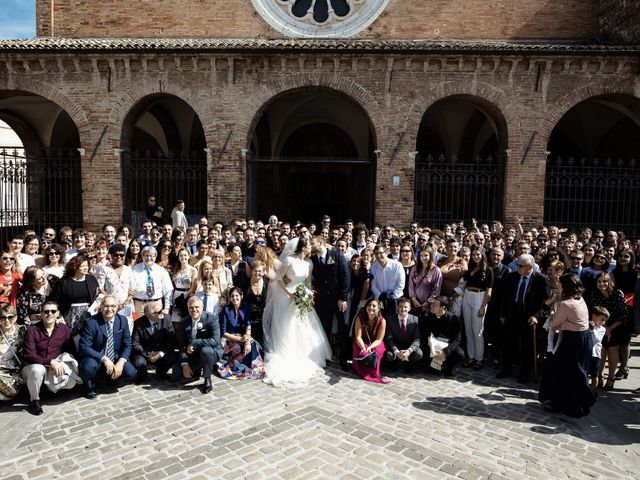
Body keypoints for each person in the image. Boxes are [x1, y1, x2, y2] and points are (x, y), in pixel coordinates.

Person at [262, 237, 332, 387]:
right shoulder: (289, 261)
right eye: (308, 246)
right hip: (286, 297)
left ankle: (305, 354)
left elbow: (307, 282)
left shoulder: (309, 263)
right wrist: (290, 294)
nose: (310, 248)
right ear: (302, 247)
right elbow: (278, 279)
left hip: (302, 296)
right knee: (288, 326)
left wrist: (309, 293)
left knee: (303, 326)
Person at [538, 274, 595, 418]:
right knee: (574, 373)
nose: (558, 287)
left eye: (560, 285)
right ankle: (567, 402)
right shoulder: (580, 298)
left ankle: (568, 403)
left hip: (573, 341)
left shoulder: (566, 304)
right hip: (583, 338)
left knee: (561, 372)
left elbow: (553, 323)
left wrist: (552, 313)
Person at [498, 254, 550, 384]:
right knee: (508, 344)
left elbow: (546, 304)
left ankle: (524, 374)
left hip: (530, 317)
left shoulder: (540, 280)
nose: (517, 268)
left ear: (530, 266)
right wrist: (503, 314)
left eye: (520, 266)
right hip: (512, 314)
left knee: (527, 348)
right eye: (517, 264)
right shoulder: (512, 277)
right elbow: (505, 297)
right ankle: (506, 369)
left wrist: (536, 317)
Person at [21, 301, 78, 415]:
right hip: (32, 366)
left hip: (53, 364)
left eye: (53, 311)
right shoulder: (32, 330)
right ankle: (34, 400)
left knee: (71, 382)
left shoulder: (63, 329)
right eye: (46, 311)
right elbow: (29, 355)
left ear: (58, 313)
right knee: (38, 370)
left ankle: (50, 388)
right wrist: (49, 362)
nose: (49, 314)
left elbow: (70, 349)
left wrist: (60, 362)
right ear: (41, 314)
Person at [78, 296, 137, 399]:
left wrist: (121, 362)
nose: (109, 309)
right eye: (106, 306)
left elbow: (127, 344)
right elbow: (84, 347)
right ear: (101, 307)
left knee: (131, 373)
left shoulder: (122, 320)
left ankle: (112, 380)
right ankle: (90, 386)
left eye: (113, 306)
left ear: (118, 307)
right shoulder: (91, 322)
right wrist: (103, 358)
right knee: (88, 367)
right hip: (95, 357)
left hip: (114, 356)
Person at [309, 236, 351, 371]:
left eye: (313, 243)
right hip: (323, 301)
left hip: (339, 300)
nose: (311, 245)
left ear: (320, 243)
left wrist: (343, 298)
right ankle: (326, 356)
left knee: (342, 328)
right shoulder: (314, 260)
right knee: (324, 328)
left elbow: (345, 276)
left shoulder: (336, 255)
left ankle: (344, 358)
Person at [586, 272, 630, 391]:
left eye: (605, 281)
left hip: (617, 326)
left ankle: (611, 378)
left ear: (610, 282)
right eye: (599, 281)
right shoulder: (594, 294)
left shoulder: (617, 294)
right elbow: (595, 312)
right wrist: (603, 328)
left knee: (612, 349)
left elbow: (624, 313)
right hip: (600, 326)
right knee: (601, 351)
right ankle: (599, 377)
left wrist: (610, 328)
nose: (602, 284)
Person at [177, 296, 223, 394]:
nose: (194, 310)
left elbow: (215, 341)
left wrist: (195, 342)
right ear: (188, 309)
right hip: (193, 353)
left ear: (202, 308)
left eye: (197, 307)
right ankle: (197, 369)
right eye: (191, 307)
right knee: (176, 373)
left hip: (212, 351)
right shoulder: (184, 322)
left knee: (206, 351)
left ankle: (207, 378)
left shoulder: (212, 319)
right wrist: (185, 364)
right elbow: (181, 345)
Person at [217, 287, 264, 380]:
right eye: (232, 296)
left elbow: (248, 325)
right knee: (236, 347)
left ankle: (253, 368)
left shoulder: (245, 307)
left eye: (237, 295)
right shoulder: (225, 310)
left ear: (241, 296)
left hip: (243, 335)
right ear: (230, 298)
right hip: (228, 337)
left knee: (253, 343)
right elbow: (223, 332)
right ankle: (237, 367)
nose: (235, 298)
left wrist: (246, 340)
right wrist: (239, 339)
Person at [52, 255, 100, 339]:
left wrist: (95, 305)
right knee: (72, 340)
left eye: (86, 265)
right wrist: (59, 317)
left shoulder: (91, 279)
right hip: (69, 317)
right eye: (82, 266)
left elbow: (98, 295)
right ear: (75, 266)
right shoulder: (63, 282)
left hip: (89, 314)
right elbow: (55, 300)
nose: (86, 268)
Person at [460, 247, 493, 369]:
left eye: (478, 254)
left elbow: (489, 290)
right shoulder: (470, 268)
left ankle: (479, 358)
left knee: (477, 330)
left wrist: (483, 306)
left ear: (482, 255)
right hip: (467, 296)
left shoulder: (488, 270)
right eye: (473, 254)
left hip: (480, 297)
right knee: (468, 329)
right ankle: (471, 356)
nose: (475, 256)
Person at [130, 300, 177, 384]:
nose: (162, 312)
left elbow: (171, 340)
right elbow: (135, 343)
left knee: (172, 356)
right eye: (159, 312)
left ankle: (161, 372)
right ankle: (142, 374)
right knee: (139, 362)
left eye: (161, 309)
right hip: (145, 350)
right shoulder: (139, 323)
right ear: (150, 315)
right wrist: (148, 355)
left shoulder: (167, 319)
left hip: (161, 349)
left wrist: (160, 354)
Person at [421, 296, 463, 377]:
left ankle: (448, 367)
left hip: (447, 346)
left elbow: (457, 339)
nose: (431, 306)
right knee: (432, 370)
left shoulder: (453, 319)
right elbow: (424, 334)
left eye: (435, 304)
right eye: (432, 303)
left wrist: (445, 351)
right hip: (433, 346)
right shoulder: (429, 316)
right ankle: (435, 365)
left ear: (442, 307)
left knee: (459, 353)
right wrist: (432, 345)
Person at [352, 297, 388, 383]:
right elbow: (358, 337)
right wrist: (363, 347)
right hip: (362, 341)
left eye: (374, 306)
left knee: (377, 350)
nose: (371, 307)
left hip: (375, 343)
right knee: (358, 349)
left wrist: (370, 347)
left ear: (378, 309)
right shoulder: (360, 318)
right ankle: (360, 370)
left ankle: (373, 373)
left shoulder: (382, 321)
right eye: (369, 305)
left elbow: (379, 339)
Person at [131, 246, 173, 317]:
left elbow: (168, 290)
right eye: (146, 255)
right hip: (138, 306)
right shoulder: (134, 269)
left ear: (155, 257)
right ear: (142, 256)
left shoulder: (161, 270)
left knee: (156, 326)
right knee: (137, 325)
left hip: (156, 305)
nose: (149, 258)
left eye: (151, 256)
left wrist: (167, 307)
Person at [383, 297, 422, 370]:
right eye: (401, 306)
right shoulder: (390, 319)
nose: (403, 309)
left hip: (408, 346)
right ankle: (394, 362)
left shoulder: (415, 319)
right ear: (397, 307)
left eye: (405, 307)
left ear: (410, 308)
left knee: (419, 354)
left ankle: (409, 363)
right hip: (396, 346)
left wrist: (408, 351)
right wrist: (397, 352)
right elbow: (389, 339)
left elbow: (417, 339)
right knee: (389, 355)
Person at [370, 244, 404, 316]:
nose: (378, 256)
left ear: (386, 252)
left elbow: (401, 284)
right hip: (380, 300)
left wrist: (393, 296)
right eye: (376, 253)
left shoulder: (397, 265)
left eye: (381, 253)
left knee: (395, 320)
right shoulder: (373, 268)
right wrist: (379, 295)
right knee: (382, 318)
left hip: (395, 299)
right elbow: (373, 285)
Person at [0, 305, 25, 400]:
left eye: (10, 317)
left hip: (13, 374)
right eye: (3, 317)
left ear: (16, 317)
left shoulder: (22, 331)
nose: (6, 320)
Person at [409, 248, 442, 317]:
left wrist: (428, 302)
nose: (423, 257)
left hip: (429, 305)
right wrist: (414, 299)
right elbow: (411, 285)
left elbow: (437, 289)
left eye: (426, 255)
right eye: (421, 255)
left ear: (430, 256)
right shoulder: (415, 268)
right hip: (415, 303)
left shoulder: (436, 271)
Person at [244, 260, 268, 347]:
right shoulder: (245, 283)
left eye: (260, 271)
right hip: (248, 318)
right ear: (251, 271)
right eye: (255, 270)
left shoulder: (267, 284)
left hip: (264, 317)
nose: (257, 273)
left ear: (264, 272)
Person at [588, 306, 608, 394]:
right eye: (602, 319)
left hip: (595, 355)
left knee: (594, 375)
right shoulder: (586, 325)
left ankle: (593, 393)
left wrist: (592, 330)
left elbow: (596, 340)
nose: (603, 322)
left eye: (604, 320)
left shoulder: (602, 329)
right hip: (585, 354)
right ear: (594, 316)